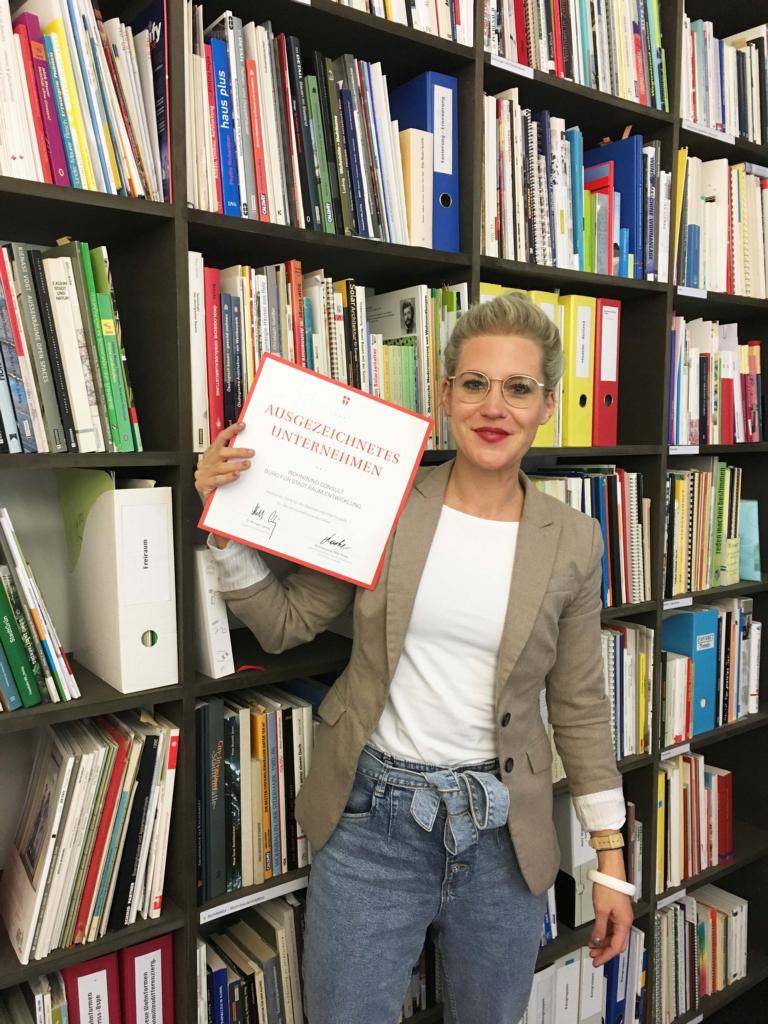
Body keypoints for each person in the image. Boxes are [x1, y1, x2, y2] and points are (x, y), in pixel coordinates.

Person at [195, 293, 634, 1024]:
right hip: (373, 821)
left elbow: (581, 703)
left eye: (518, 388)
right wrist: (225, 524)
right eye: (475, 383)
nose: (494, 406)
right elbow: (285, 624)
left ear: (547, 405)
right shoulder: (388, 506)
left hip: (503, 834)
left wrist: (610, 859)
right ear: (446, 394)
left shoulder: (574, 540)